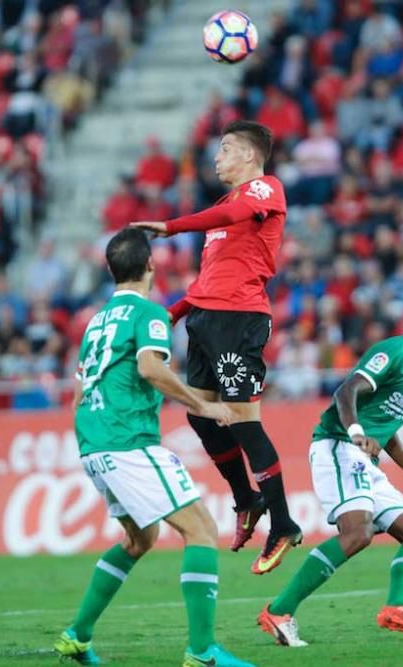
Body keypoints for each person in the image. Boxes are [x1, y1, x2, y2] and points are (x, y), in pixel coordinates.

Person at [54, 228, 254, 667]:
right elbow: (150, 367)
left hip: (94, 442)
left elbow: (79, 391)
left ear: (110, 270)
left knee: (140, 538)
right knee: (200, 530)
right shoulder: (149, 314)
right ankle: (202, 651)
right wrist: (203, 404)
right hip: (128, 441)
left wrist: (91, 441)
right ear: (150, 265)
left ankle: (78, 635)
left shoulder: (96, 322)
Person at [131, 120, 303, 575]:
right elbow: (207, 281)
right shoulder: (227, 205)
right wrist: (167, 314)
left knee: (244, 421)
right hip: (206, 318)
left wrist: (171, 227)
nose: (217, 157)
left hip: (239, 318)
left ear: (249, 156)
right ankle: (246, 499)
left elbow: (227, 219)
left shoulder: (266, 190)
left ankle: (283, 523)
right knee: (200, 413)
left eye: (225, 149)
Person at [257, 290, 403, 647]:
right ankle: (279, 611)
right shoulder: (396, 352)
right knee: (358, 533)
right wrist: (355, 434)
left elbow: (385, 424)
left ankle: (397, 608)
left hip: (363, 458)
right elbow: (346, 390)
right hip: (337, 446)